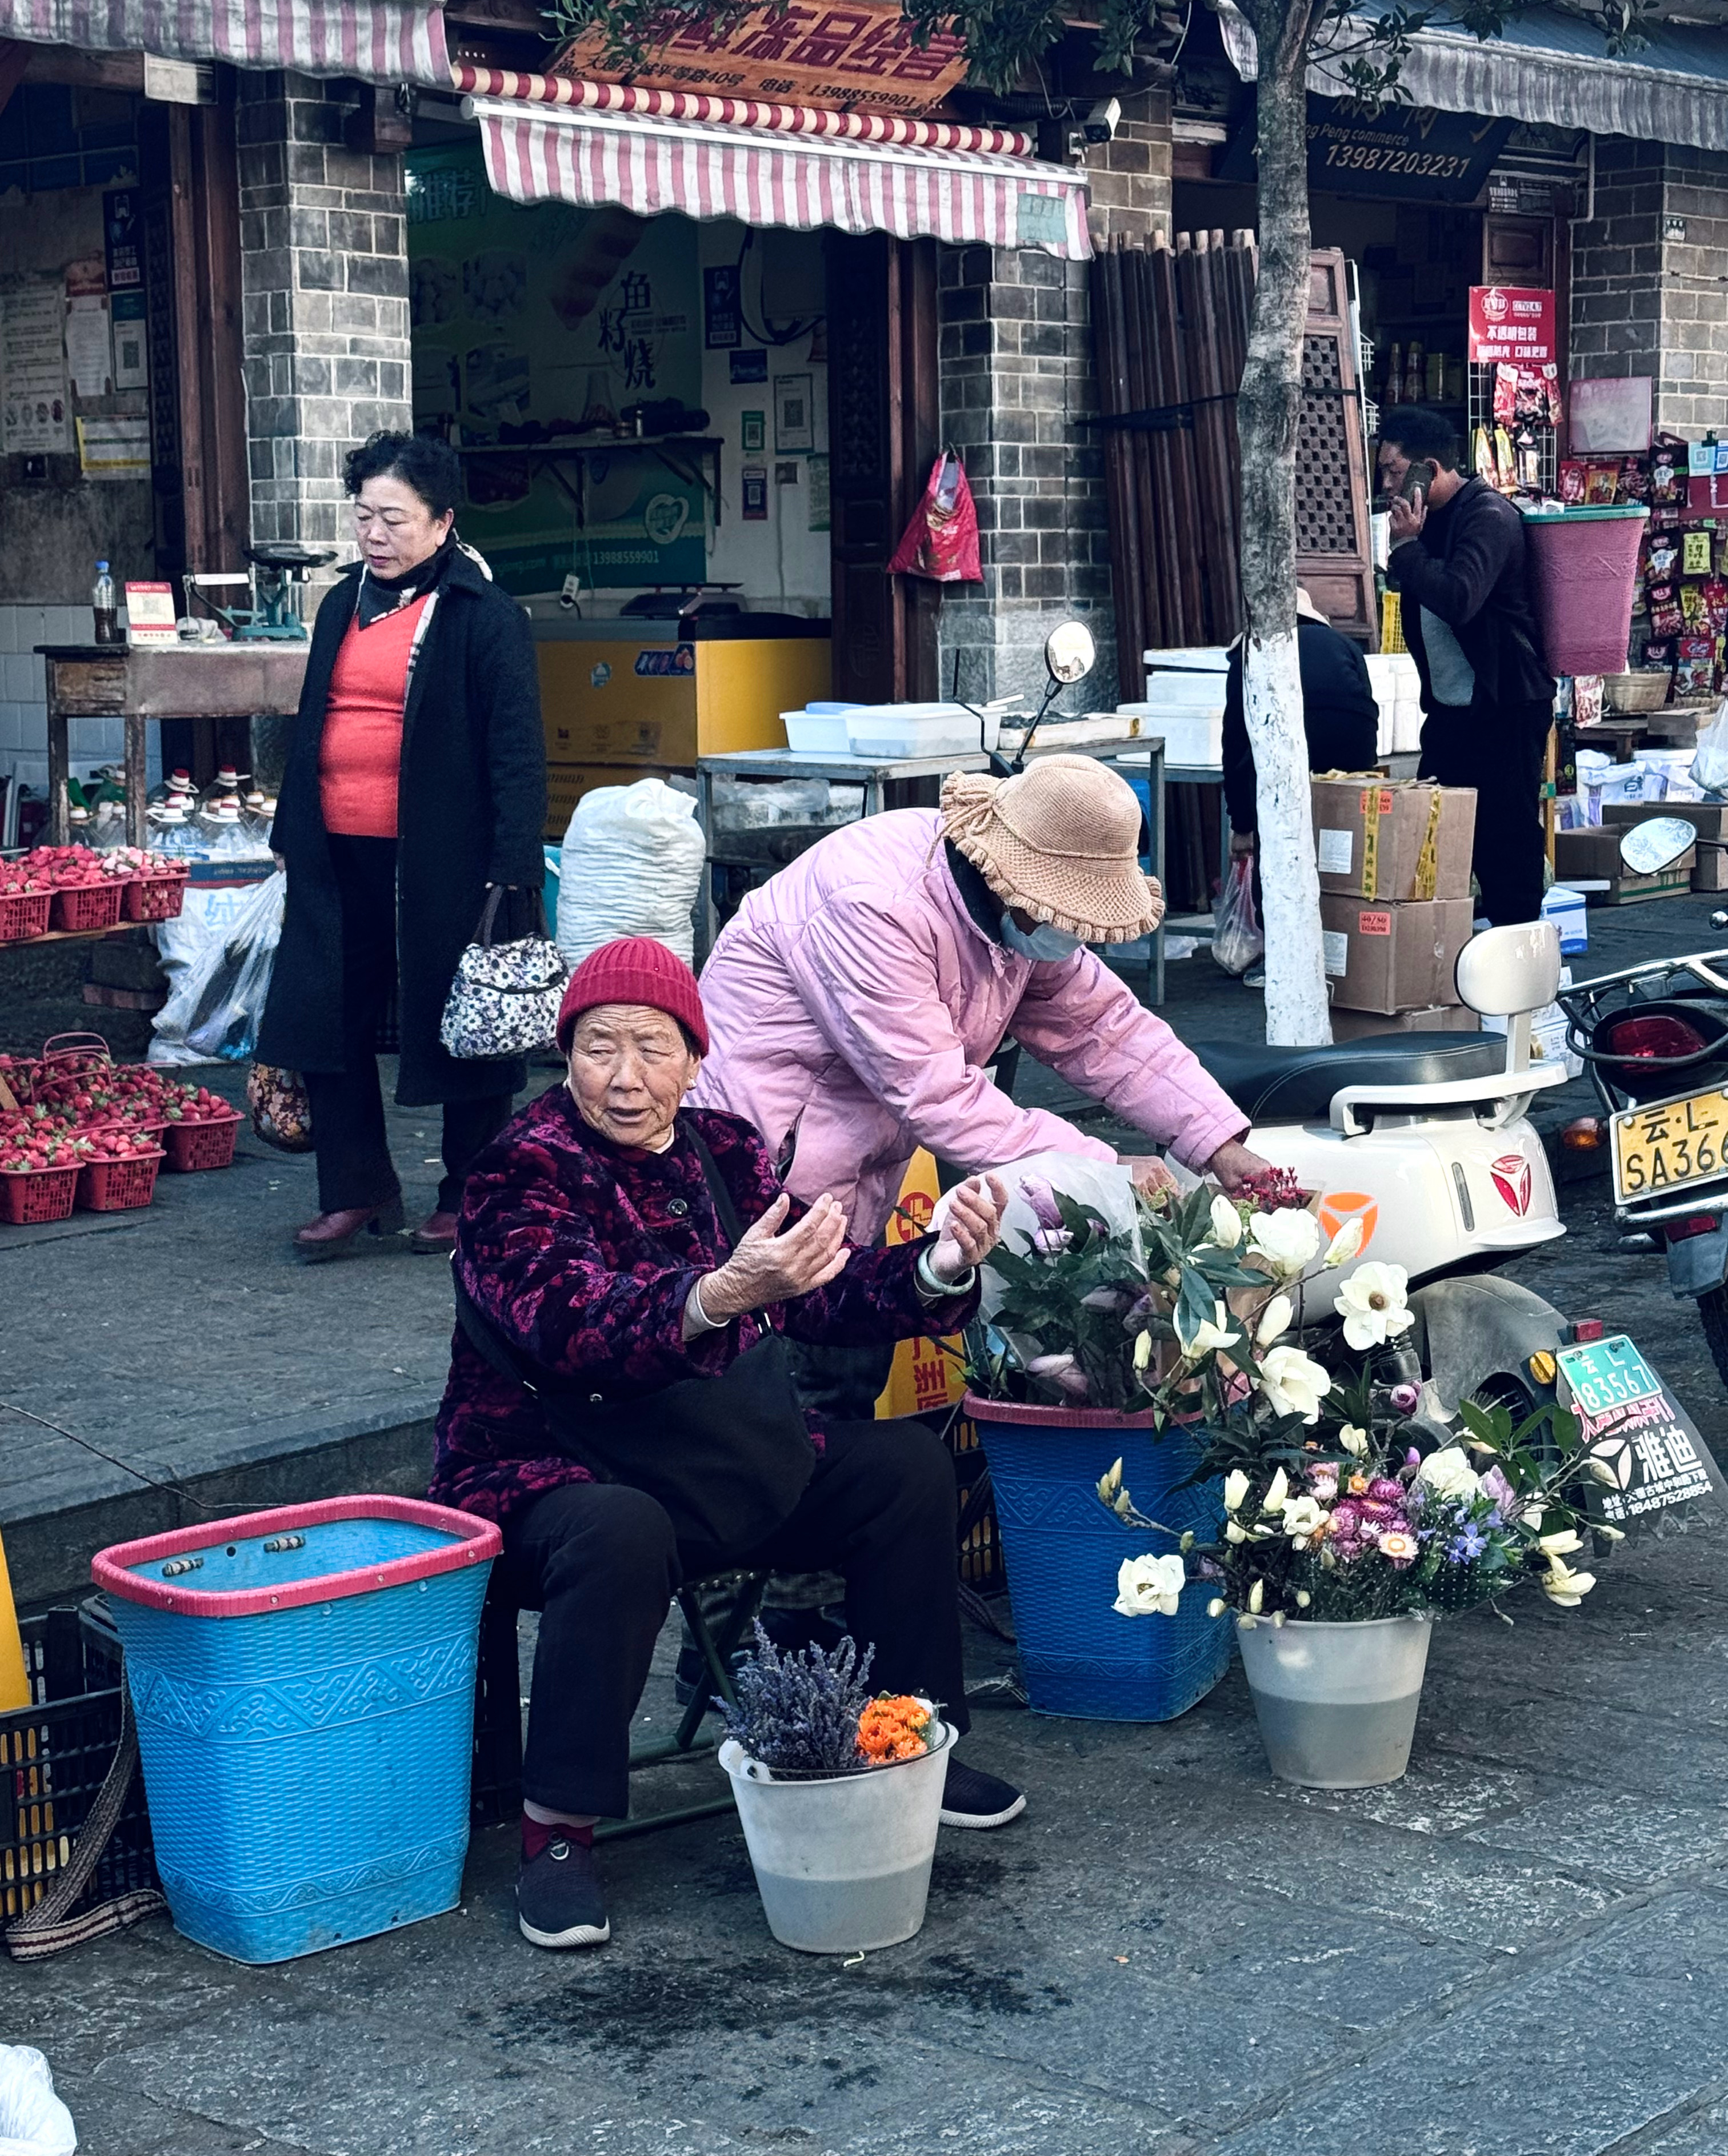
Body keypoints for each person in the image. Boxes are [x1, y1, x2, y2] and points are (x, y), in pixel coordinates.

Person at [428, 937, 1017, 1950]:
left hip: (710, 1454)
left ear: (695, 1059)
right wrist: (714, 1296)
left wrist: (940, 1264)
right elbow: (568, 1326)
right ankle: (557, 1831)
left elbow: (817, 1288)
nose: (625, 1076)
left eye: (653, 1048)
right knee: (616, 1531)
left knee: (902, 1468)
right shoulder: (517, 1170)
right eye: (598, 1047)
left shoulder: (726, 1151)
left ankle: (907, 1730)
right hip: (548, 1468)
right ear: (563, 1055)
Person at [695, 752, 1269, 1245]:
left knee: (849, 1341)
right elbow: (937, 1093)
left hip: (848, 1153)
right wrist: (1105, 1169)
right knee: (774, 1355)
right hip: (762, 1157)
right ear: (1013, 881)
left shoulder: (1015, 914)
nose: (1075, 935)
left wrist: (1217, 1141)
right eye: (1067, 914)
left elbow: (1102, 1028)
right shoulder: (876, 907)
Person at [261, 431, 547, 1261]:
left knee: (464, 1023)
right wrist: (292, 834)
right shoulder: (340, 602)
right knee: (327, 1016)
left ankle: (469, 1191)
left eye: (394, 518)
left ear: (442, 522)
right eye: (363, 516)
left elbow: (517, 750)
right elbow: (311, 724)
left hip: (444, 856)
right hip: (336, 850)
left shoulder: (481, 615)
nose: (374, 534)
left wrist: (514, 865)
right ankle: (358, 1190)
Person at [1378, 405, 1555, 927]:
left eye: (1393, 470)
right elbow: (1406, 583)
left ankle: (1522, 956)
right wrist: (1407, 548)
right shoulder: (1426, 518)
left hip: (1506, 705)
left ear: (1429, 469)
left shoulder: (1488, 516)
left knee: (1507, 838)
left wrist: (1408, 547)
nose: (1386, 483)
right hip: (1453, 711)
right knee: (1443, 833)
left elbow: (1459, 596)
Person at [1222, 587, 1380, 865]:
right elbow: (1365, 713)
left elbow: (1236, 743)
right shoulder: (1346, 645)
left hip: (1291, 750)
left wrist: (1243, 826)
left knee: (1277, 860)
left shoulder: (1251, 652)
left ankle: (1270, 902)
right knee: (1343, 852)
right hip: (1354, 755)